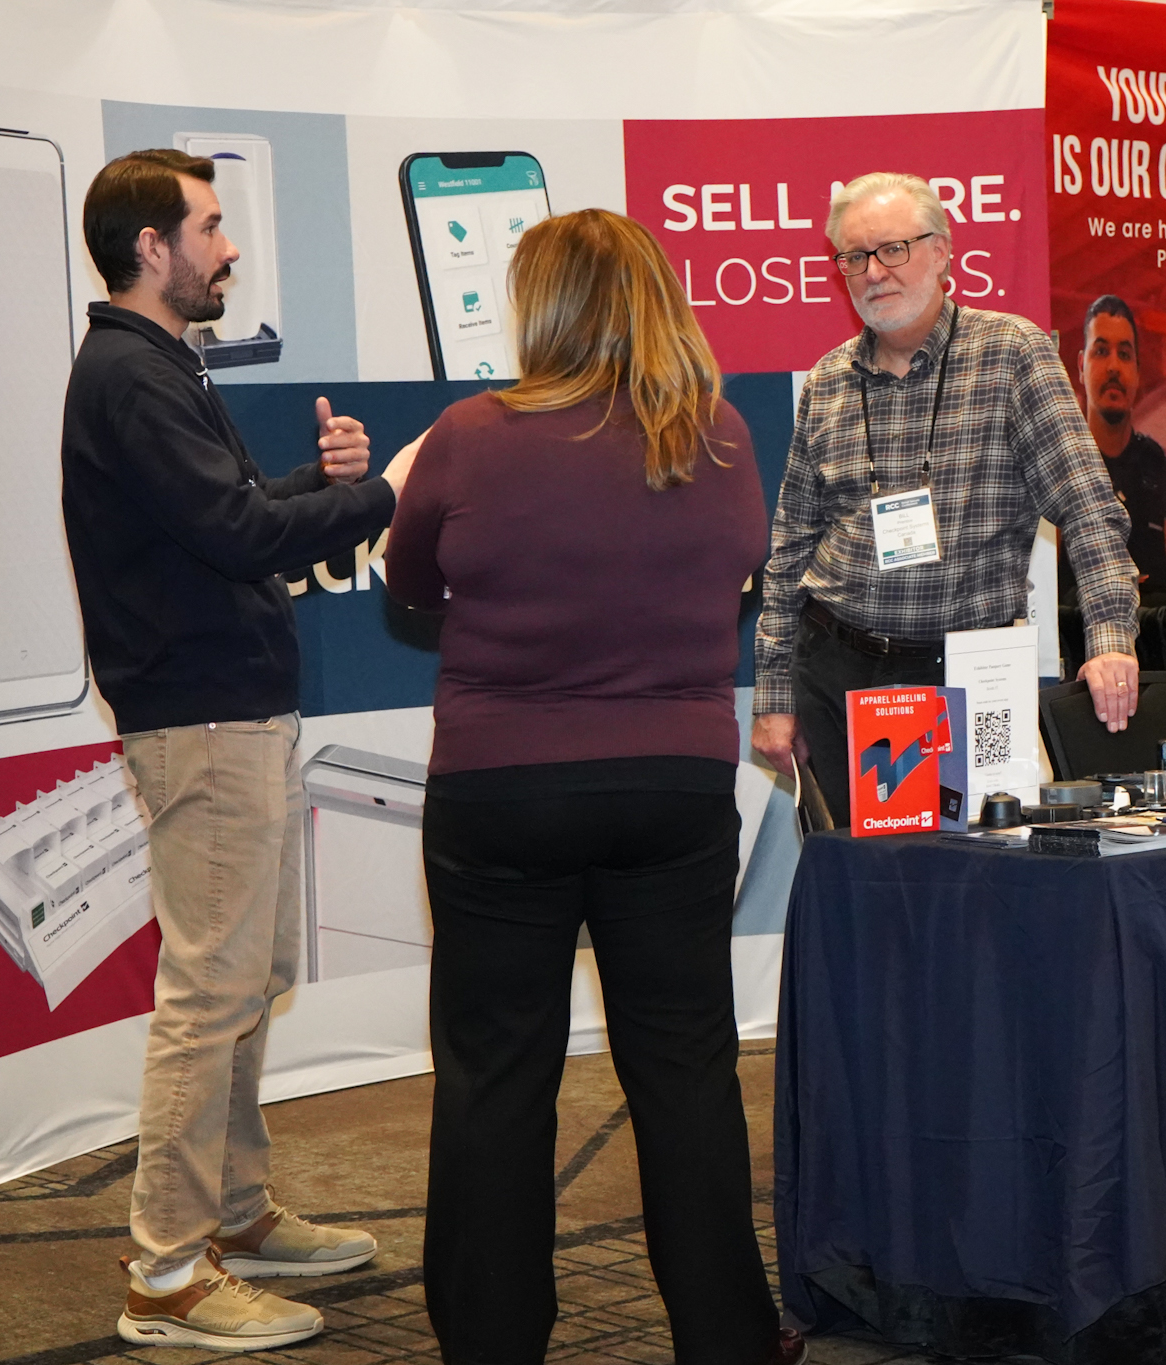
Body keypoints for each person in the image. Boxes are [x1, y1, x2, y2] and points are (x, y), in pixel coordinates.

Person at [385, 209, 802, 1365]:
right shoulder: (718, 436)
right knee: (684, 1069)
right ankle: (728, 1338)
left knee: (495, 1074)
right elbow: (739, 576)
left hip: (500, 793)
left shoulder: (469, 435)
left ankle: (491, 1341)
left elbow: (409, 582)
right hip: (671, 790)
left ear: (545, 310)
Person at [61, 149, 408, 1351]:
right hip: (203, 720)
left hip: (226, 712)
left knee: (246, 982)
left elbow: (224, 512)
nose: (229, 248)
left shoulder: (154, 363)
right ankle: (166, 1275)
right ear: (150, 246)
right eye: (208, 227)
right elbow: (237, 531)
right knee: (212, 993)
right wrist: (380, 494)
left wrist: (320, 481)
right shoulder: (130, 372)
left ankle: (235, 1213)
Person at [750, 172, 1140, 822]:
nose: (874, 272)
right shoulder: (827, 382)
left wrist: (1110, 639)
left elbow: (1090, 510)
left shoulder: (1012, 355)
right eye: (854, 257)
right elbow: (790, 550)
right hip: (838, 677)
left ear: (941, 251)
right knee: (852, 873)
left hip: (964, 676)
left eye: (893, 249)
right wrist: (773, 694)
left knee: (967, 869)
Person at [1076, 294, 1166, 606]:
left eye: (1124, 354)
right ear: (1081, 366)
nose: (1113, 367)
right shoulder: (1055, 474)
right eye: (1101, 351)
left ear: (1137, 371)